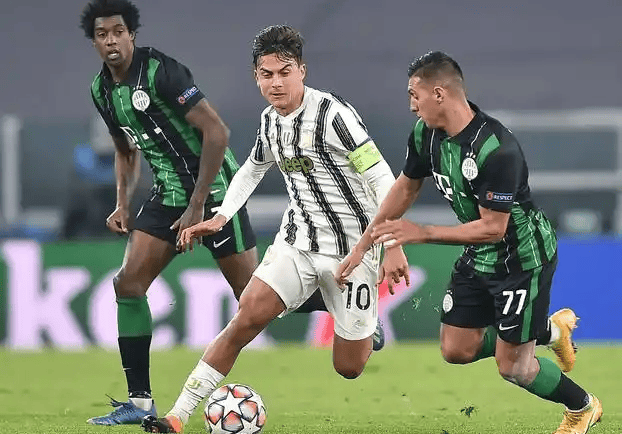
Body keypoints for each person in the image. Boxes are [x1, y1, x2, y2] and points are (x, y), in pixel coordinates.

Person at [141, 24, 396, 433]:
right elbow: (253, 168)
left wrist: (392, 244)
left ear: (302, 71)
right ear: (256, 77)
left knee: (349, 367)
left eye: (285, 72)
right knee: (246, 316)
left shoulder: (333, 115)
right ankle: (177, 416)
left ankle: (358, 322)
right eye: (267, 74)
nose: (276, 82)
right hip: (298, 242)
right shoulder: (269, 120)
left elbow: (383, 178)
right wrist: (221, 216)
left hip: (353, 251)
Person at [337, 51, 602, 434]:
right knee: (455, 349)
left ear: (439, 93)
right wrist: (366, 245)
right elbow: (405, 188)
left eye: (414, 95)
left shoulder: (497, 149)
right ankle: (548, 331)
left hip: (522, 259)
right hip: (479, 253)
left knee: (514, 367)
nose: (411, 105)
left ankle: (582, 406)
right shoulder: (425, 134)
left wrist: (423, 232)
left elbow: (494, 228)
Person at [80, 0, 261, 425]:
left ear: (131, 35)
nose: (111, 40)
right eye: (102, 34)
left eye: (118, 32)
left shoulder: (161, 71)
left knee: (255, 298)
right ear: (95, 42)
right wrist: (123, 203)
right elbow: (125, 149)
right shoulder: (101, 90)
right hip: (169, 194)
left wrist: (198, 204)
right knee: (128, 284)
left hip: (215, 192)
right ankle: (140, 402)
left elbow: (217, 132)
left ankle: (344, 308)